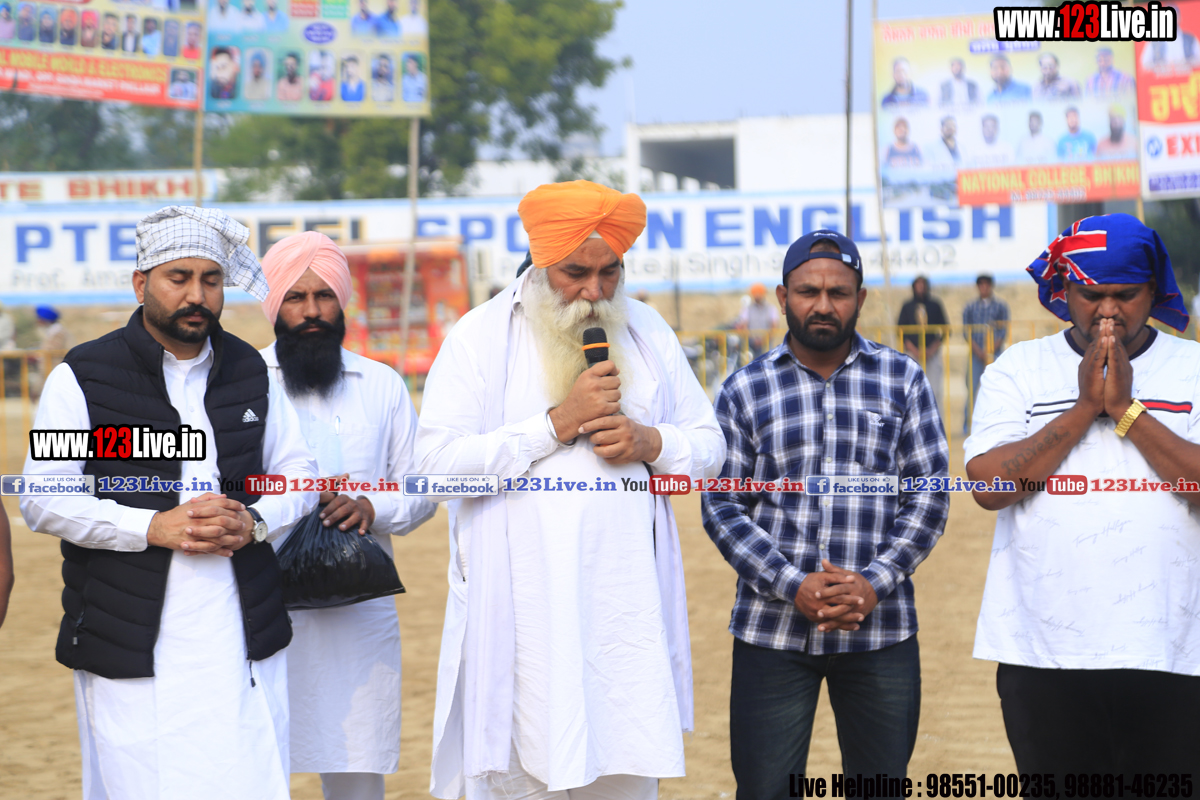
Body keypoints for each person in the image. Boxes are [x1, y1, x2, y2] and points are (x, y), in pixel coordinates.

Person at [415, 179, 726, 800]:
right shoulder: (478, 337)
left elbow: (710, 450)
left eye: (610, 273)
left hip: (622, 624)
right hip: (522, 625)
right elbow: (434, 470)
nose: (594, 291)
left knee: (620, 772)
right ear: (539, 263)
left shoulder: (646, 330)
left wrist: (649, 442)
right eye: (575, 274)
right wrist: (555, 424)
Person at [19, 205, 318, 800]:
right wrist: (154, 526)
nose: (196, 295)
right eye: (178, 278)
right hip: (129, 637)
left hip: (241, 635)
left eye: (210, 280)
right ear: (141, 284)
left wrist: (255, 521)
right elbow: (45, 497)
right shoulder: (84, 377)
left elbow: (299, 474)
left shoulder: (251, 371)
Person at [702, 230, 950, 792]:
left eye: (838, 293)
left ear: (859, 299)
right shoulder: (745, 389)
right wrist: (791, 584)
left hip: (880, 629)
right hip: (772, 632)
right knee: (765, 789)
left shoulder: (902, 379)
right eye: (807, 291)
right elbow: (722, 503)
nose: (822, 305)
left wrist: (873, 582)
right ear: (783, 297)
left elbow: (929, 493)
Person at [964, 213, 1200, 781]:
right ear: (1064, 291)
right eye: (1092, 294)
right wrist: (1083, 410)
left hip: (1175, 650)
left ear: (1154, 292)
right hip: (1044, 655)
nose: (1108, 310)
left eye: (1126, 294)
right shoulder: (1019, 369)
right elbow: (989, 487)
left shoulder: (1192, 368)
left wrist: (1125, 411)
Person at [259, 232, 436, 800]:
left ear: (343, 301)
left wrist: (371, 506)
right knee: (256, 758)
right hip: (260, 604)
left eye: (324, 296)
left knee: (357, 764)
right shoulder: (241, 383)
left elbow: (422, 488)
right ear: (274, 305)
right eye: (295, 297)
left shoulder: (381, 385)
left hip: (360, 607)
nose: (311, 311)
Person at [960, 273, 1008, 435]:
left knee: (998, 388)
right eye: (981, 284)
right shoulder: (970, 307)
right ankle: (967, 426)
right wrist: (979, 351)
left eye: (986, 284)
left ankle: (999, 422)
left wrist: (990, 350)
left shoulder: (1000, 307)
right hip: (976, 355)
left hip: (995, 354)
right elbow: (967, 331)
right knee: (972, 389)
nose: (984, 287)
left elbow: (1003, 331)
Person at [897, 275, 948, 420]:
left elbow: (944, 330)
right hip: (913, 355)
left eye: (923, 285)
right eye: (918, 285)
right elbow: (900, 331)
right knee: (912, 391)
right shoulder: (907, 306)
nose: (920, 288)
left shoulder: (935, 305)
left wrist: (931, 350)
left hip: (932, 354)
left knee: (935, 390)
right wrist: (914, 350)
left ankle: (936, 423)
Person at [735, 282, 779, 359]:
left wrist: (765, 340)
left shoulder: (771, 309)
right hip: (751, 345)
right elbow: (744, 324)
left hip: (766, 345)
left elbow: (774, 326)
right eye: (755, 294)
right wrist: (752, 339)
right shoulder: (748, 309)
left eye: (759, 293)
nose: (757, 296)